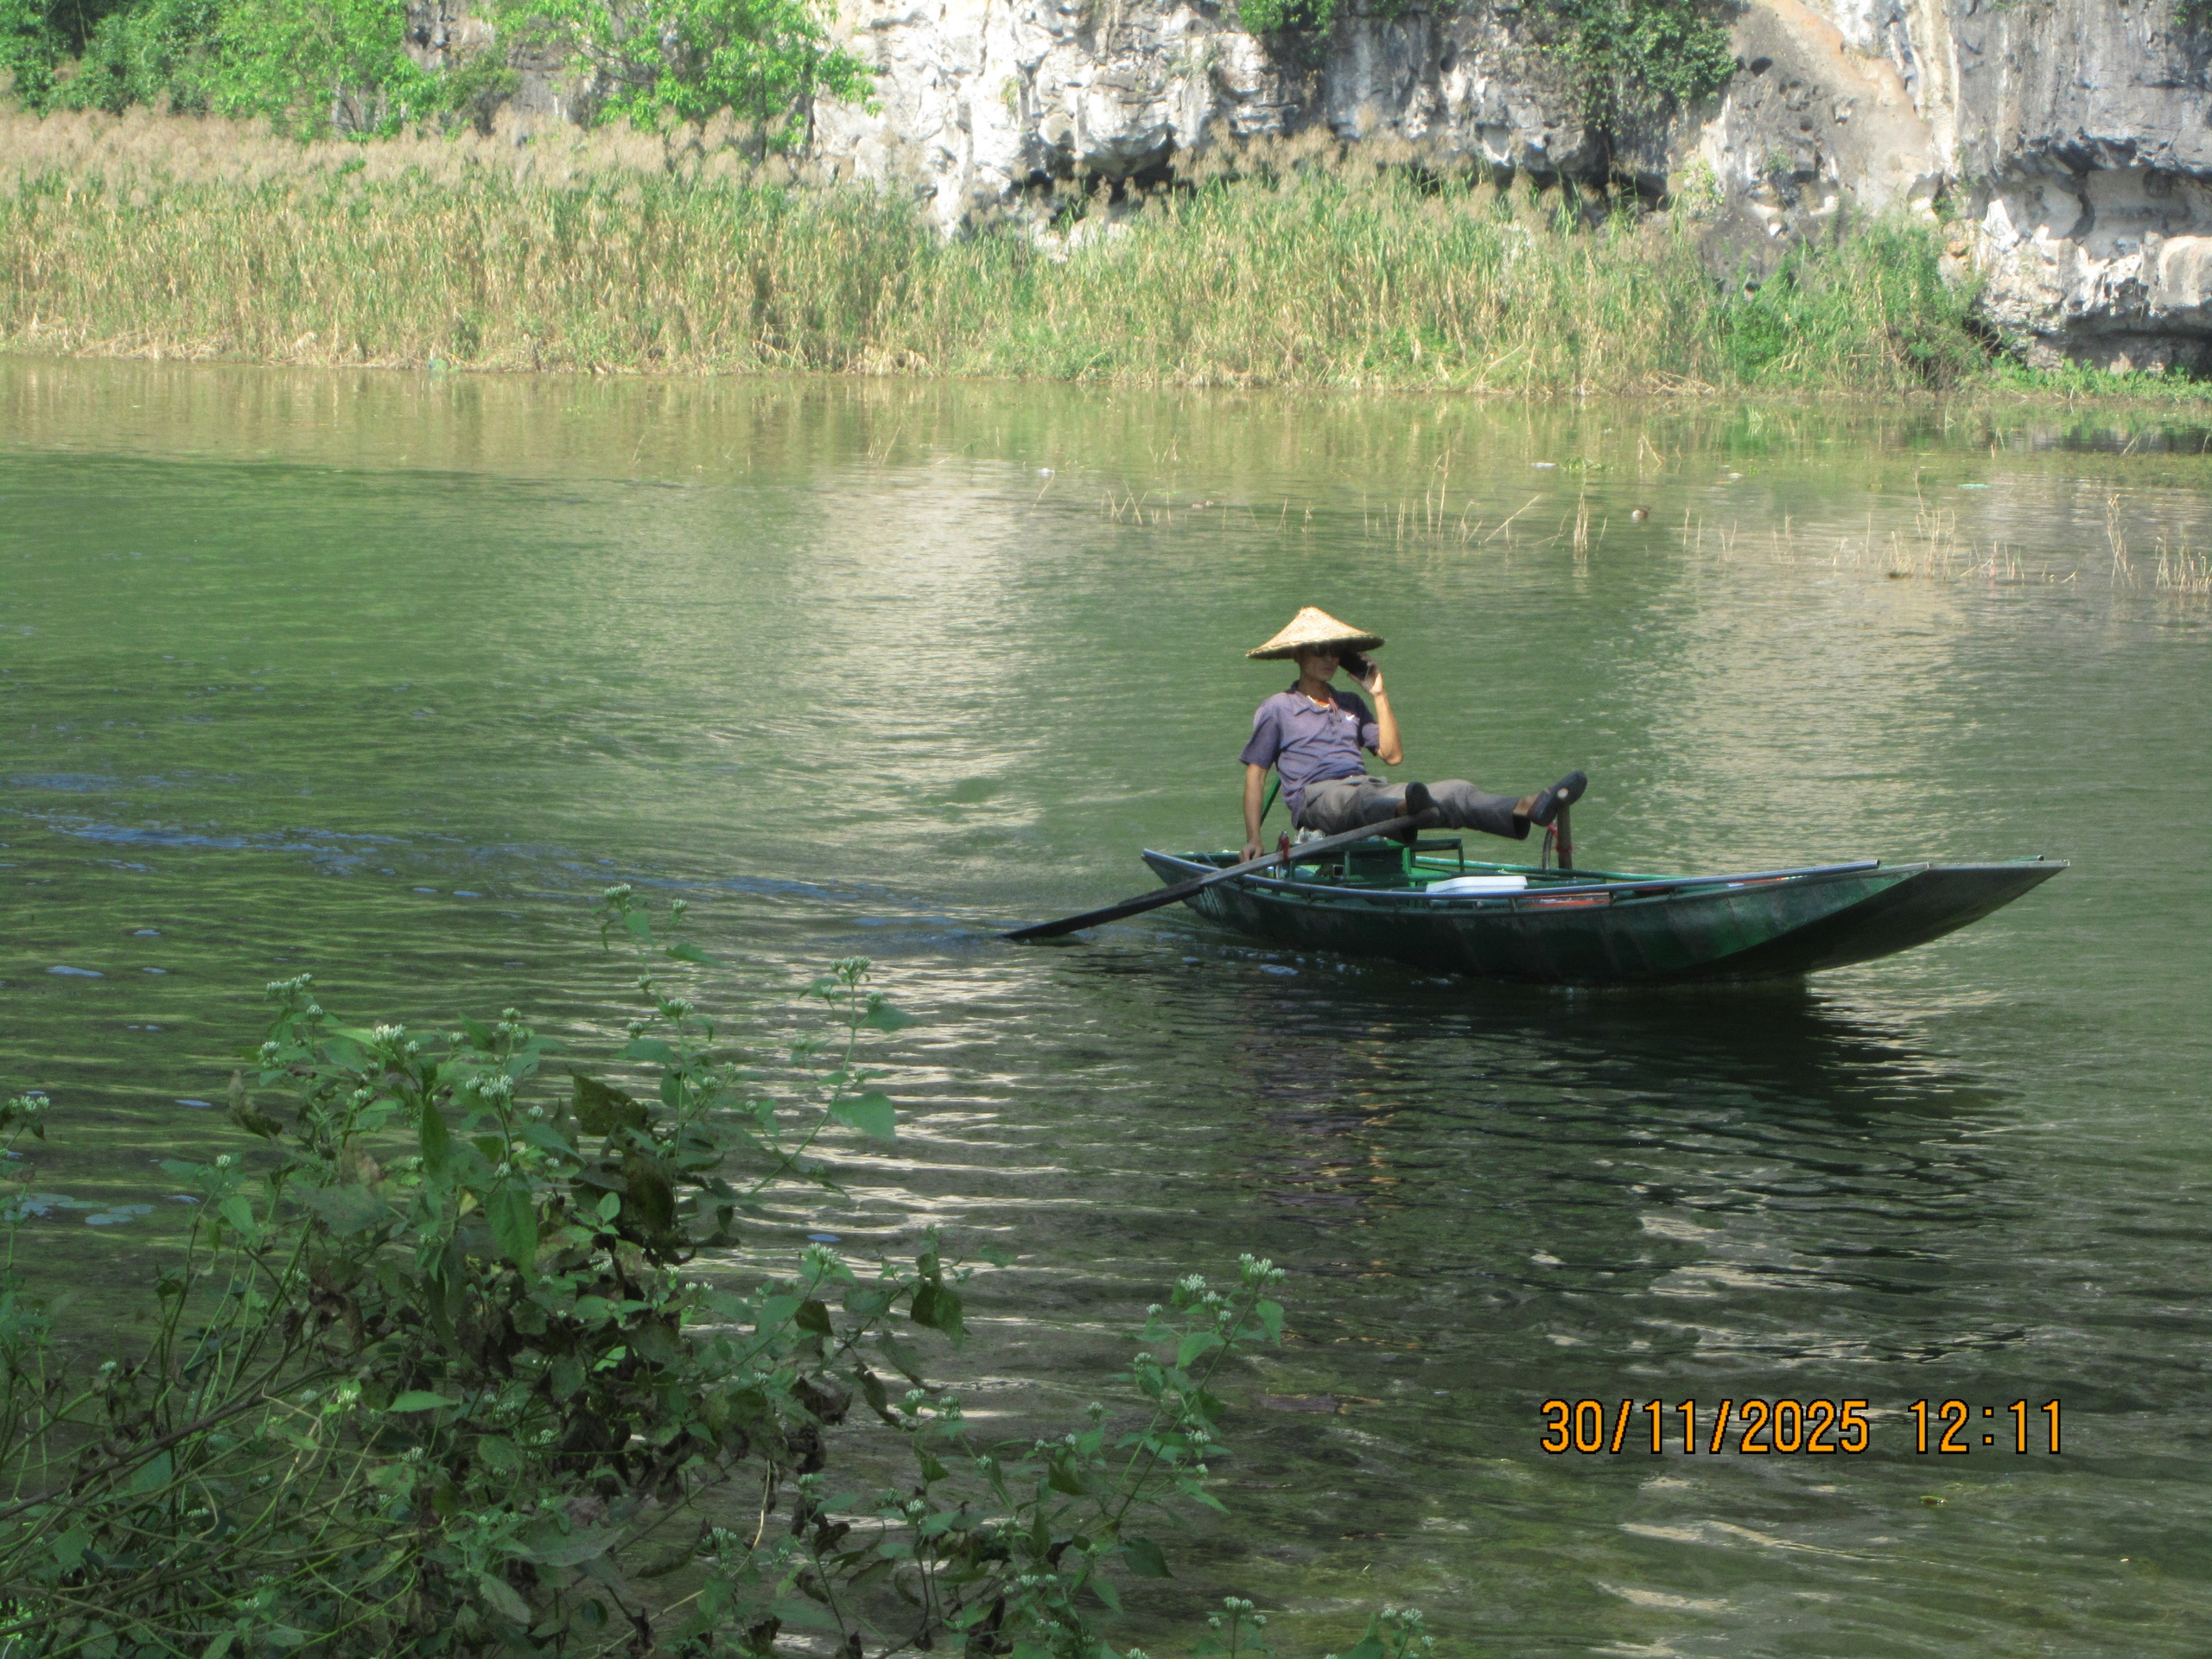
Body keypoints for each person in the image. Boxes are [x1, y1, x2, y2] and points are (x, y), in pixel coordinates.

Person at [1236, 607, 1584, 862]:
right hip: (1319, 799)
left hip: (1369, 787)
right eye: (1319, 650)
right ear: (1297, 654)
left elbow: (1392, 755)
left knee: (1455, 790)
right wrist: (1254, 838)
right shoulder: (1279, 708)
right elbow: (1256, 776)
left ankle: (1526, 806)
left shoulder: (1350, 703)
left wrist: (1378, 693)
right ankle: (1403, 808)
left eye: (1335, 651)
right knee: (1362, 801)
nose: (1329, 658)